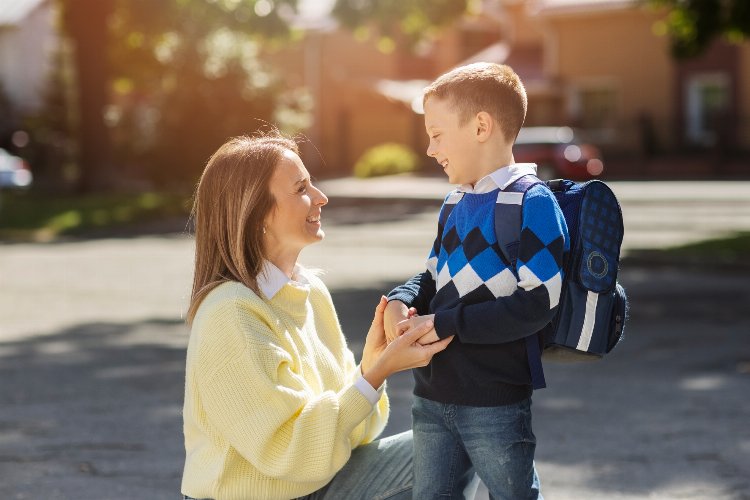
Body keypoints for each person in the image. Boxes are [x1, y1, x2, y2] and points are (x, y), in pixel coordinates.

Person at [181, 132, 452, 500]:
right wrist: (375, 374)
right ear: (258, 213)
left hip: (317, 486)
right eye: (301, 188)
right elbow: (289, 453)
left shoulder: (309, 291)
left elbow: (357, 434)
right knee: (455, 451)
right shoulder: (231, 314)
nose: (321, 197)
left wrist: (369, 367)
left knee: (469, 443)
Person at [383, 63, 570, 499]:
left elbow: (537, 303)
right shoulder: (454, 202)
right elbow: (431, 274)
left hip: (494, 401)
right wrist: (401, 297)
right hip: (431, 395)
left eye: (437, 133)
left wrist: (445, 323)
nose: (430, 148)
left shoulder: (531, 202)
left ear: (481, 126)